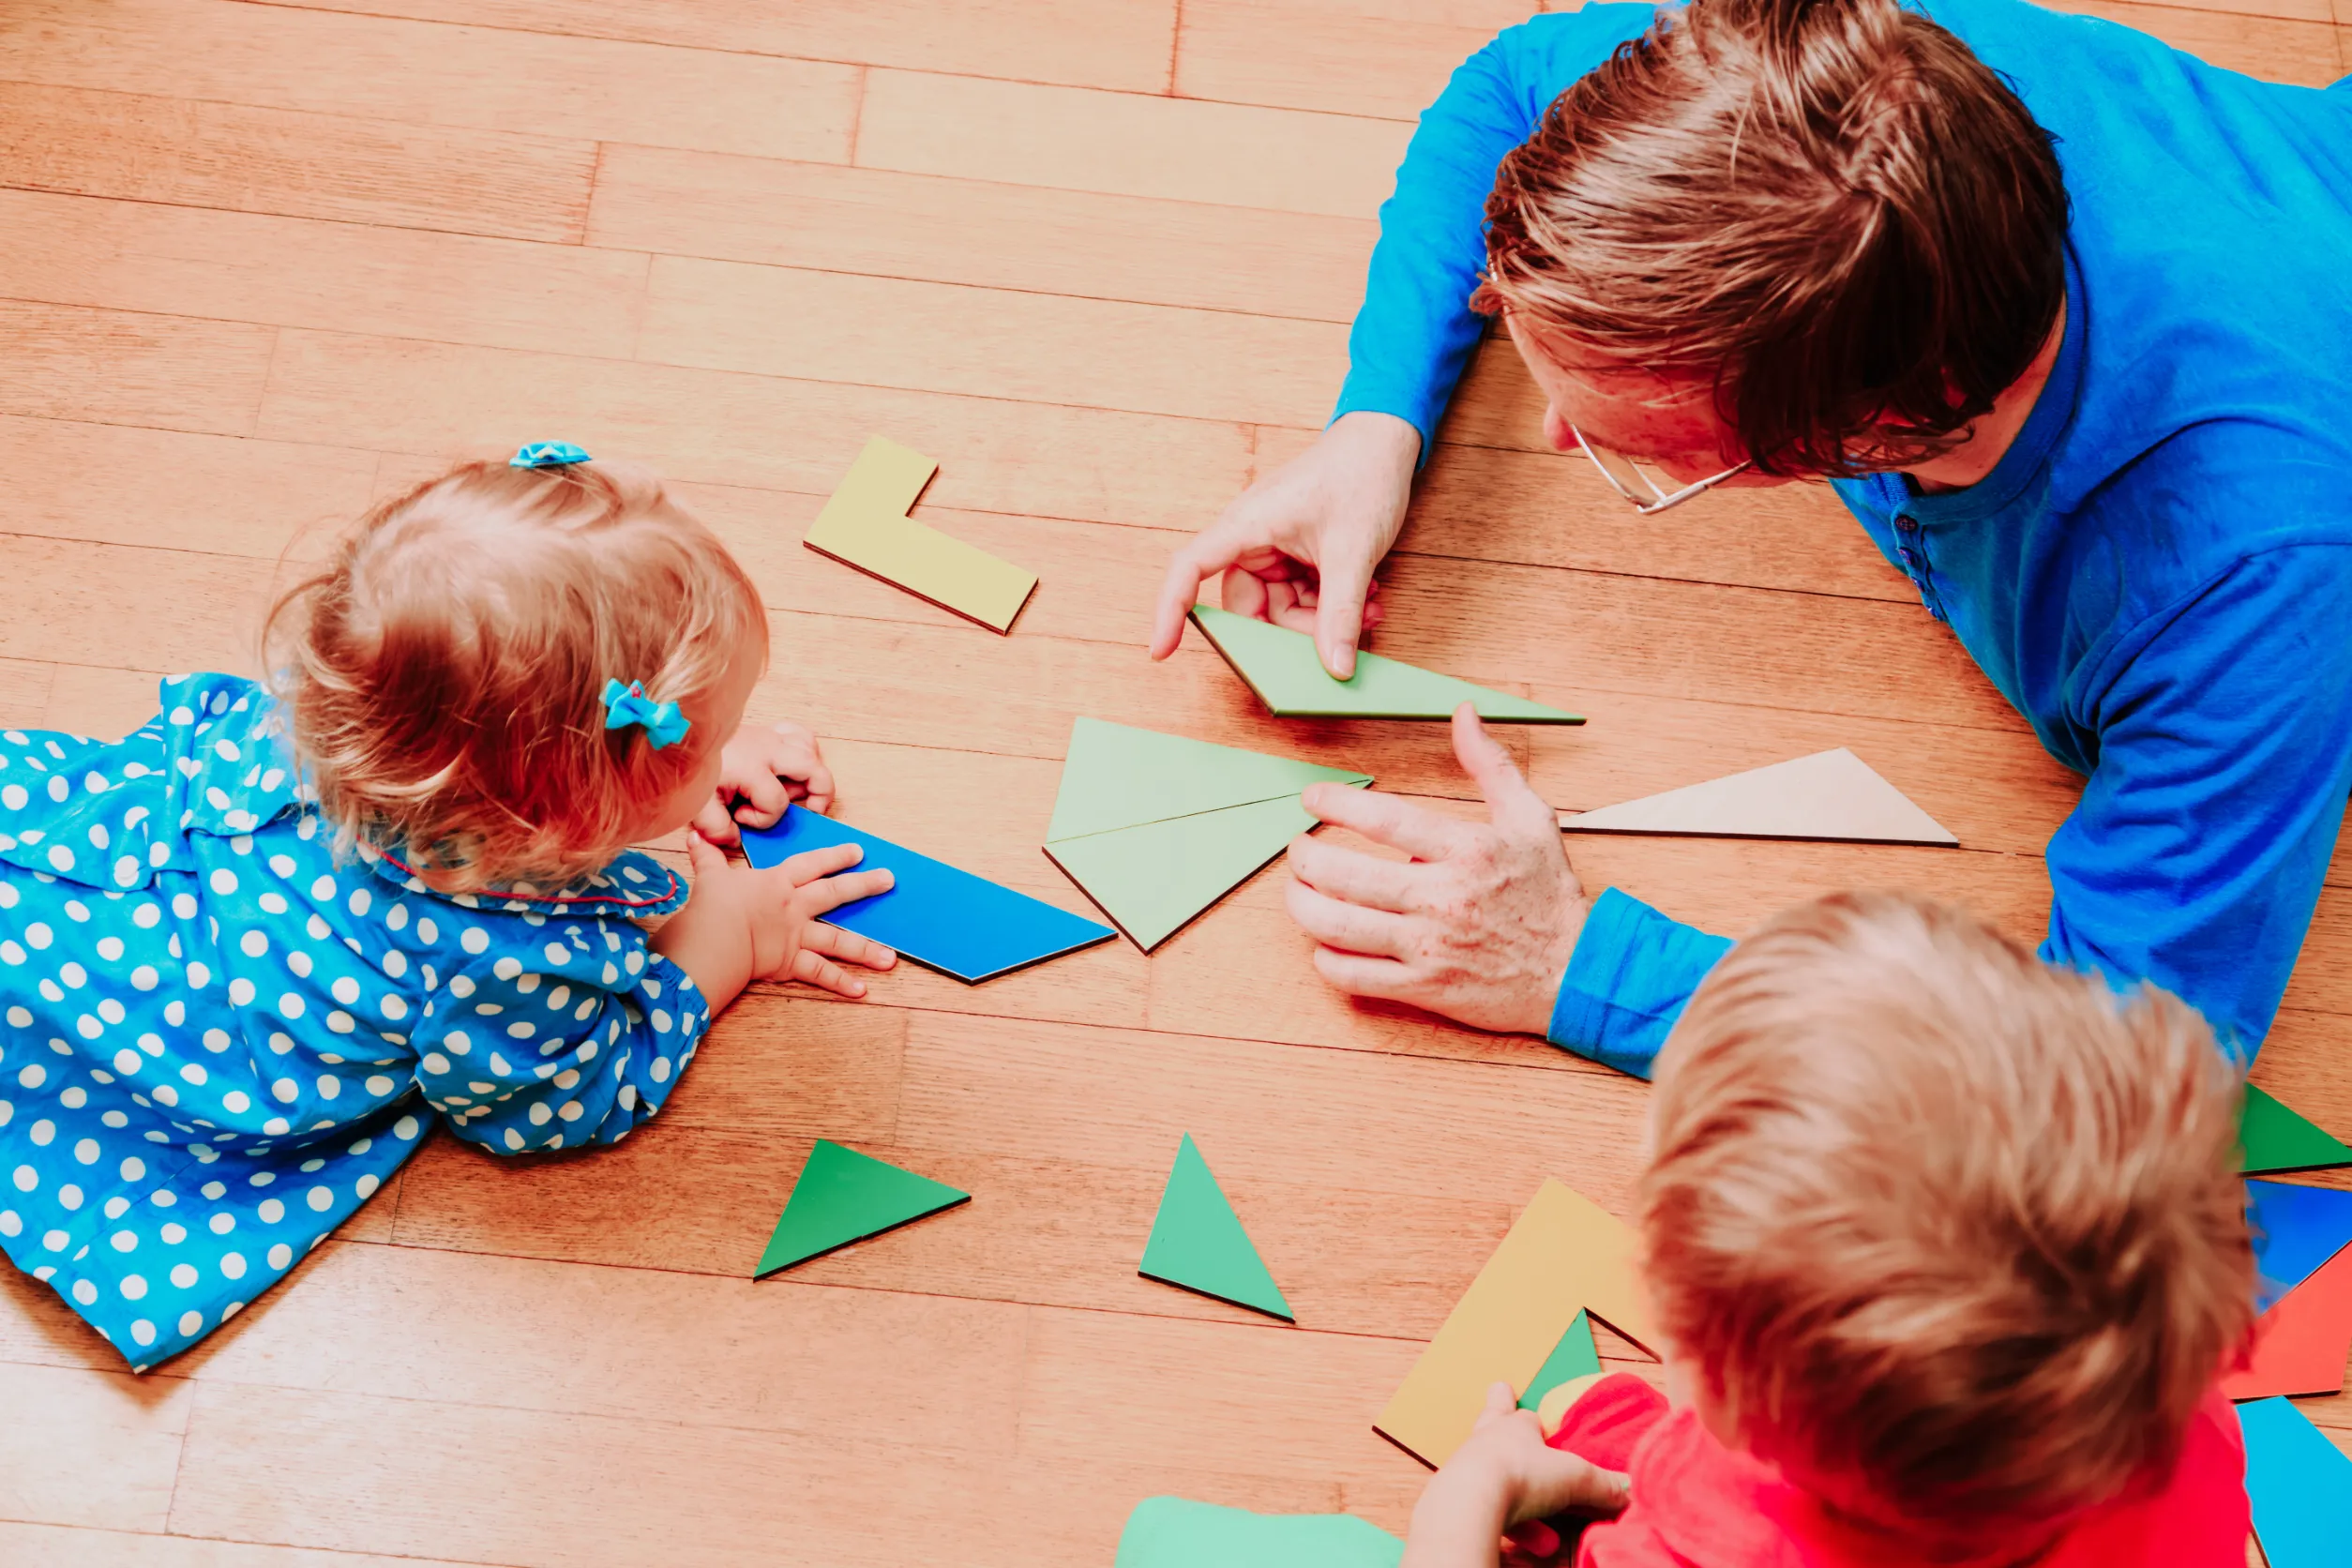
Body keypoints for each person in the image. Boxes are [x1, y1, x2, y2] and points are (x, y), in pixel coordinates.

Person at [1150, 0, 2352, 1076]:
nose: (1559, 436)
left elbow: (2124, 1069)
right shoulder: (1849, 90)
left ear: (1875, 427)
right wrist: (1376, 425)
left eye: (1632, 444)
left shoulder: (2248, 582)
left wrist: (1585, 968)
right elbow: (1516, 86)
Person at [0, 448, 897, 1369]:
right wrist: (730, 936)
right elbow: (555, 1105)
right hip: (115, 1027)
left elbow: (541, 725)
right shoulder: (499, 963)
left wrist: (670, 766)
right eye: (704, 739)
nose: (723, 750)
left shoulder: (362, 708)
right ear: (584, 813)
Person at [1400, 892, 2255, 1567]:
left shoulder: (1684, 1553)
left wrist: (1468, 1498)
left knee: (1571, 1414)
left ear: (1728, 1405)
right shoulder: (2185, 1429)